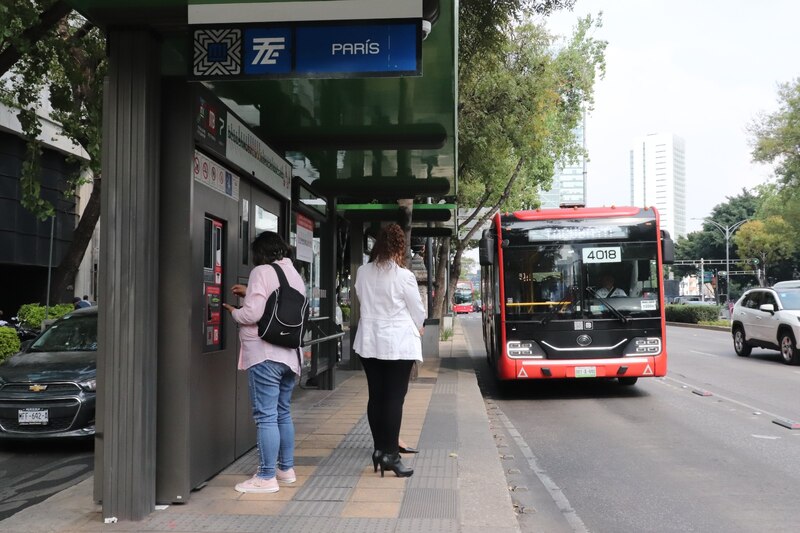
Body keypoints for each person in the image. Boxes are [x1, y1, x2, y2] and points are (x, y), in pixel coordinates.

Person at [222, 231, 304, 494]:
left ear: (260, 253)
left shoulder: (261, 271)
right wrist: (251, 292)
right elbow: (275, 301)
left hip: (265, 353)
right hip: (290, 355)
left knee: (265, 416)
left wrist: (235, 312)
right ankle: (285, 469)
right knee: (282, 412)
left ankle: (266, 476)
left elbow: (254, 313)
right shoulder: (294, 274)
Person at [353, 223, 426, 478]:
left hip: (369, 341)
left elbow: (363, 299)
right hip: (397, 344)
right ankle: (391, 456)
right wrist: (419, 325)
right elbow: (418, 309)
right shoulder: (403, 275)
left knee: (376, 396)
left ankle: (379, 450)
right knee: (395, 398)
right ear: (399, 246)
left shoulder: (363, 272)